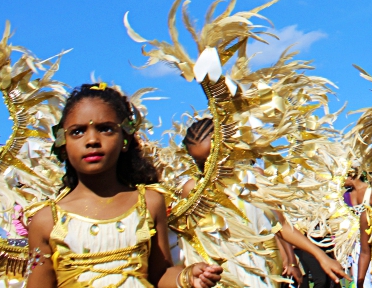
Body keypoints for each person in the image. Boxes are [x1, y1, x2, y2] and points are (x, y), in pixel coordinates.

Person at [25, 83, 223, 288]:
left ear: (125, 138)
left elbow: (160, 273)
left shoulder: (149, 203)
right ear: (62, 143)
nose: (92, 140)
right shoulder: (47, 220)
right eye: (78, 132)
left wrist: (186, 277)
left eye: (105, 129)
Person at [182, 118, 348, 288]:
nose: (210, 169)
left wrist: (321, 256)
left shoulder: (253, 179)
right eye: (201, 163)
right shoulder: (193, 191)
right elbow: (190, 242)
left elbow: (281, 225)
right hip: (220, 277)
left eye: (213, 158)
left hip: (259, 273)